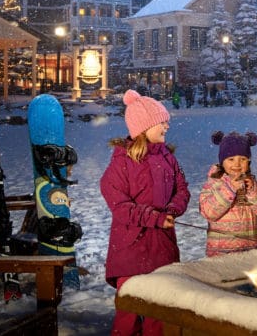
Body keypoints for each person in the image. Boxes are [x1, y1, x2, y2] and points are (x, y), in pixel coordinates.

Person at [100, 89, 190, 335]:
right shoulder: (121, 162)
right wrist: (154, 218)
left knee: (159, 311)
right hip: (130, 248)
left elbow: (182, 189)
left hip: (161, 247)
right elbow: (120, 206)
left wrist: (172, 209)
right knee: (129, 311)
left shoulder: (168, 158)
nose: (167, 126)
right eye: (162, 122)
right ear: (144, 126)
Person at [199, 131, 257, 257]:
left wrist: (253, 191)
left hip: (251, 251)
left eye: (243, 159)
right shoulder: (214, 183)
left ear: (248, 162)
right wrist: (230, 189)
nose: (237, 164)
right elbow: (208, 212)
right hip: (221, 254)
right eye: (231, 159)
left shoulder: (252, 183)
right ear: (222, 162)